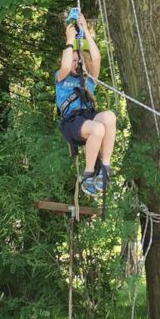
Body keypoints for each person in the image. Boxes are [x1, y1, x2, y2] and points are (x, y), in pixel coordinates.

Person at [54, 11, 116, 197]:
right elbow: (66, 66)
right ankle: (88, 173)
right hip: (71, 122)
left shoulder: (88, 79)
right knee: (97, 128)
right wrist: (69, 40)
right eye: (73, 60)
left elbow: (96, 59)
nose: (75, 63)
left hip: (88, 117)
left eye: (78, 60)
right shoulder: (61, 78)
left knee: (109, 117)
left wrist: (86, 31)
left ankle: (104, 167)